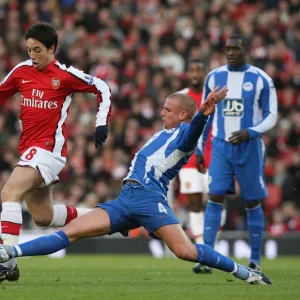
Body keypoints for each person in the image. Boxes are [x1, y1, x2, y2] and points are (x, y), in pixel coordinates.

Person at [0, 88, 272, 285]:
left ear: (183, 114)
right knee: (69, 233)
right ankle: (10, 252)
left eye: (168, 109)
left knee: (186, 252)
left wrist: (202, 113)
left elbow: (193, 134)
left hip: (149, 199)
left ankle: (245, 273)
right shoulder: (162, 133)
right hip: (126, 198)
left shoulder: (183, 135)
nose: (162, 111)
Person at [0, 22, 112, 283]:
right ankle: (109, 217)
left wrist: (101, 121)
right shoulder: (21, 71)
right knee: (43, 217)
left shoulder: (63, 75)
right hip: (29, 150)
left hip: (48, 150)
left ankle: (7, 263)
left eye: (37, 50)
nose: (32, 56)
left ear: (52, 49)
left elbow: (102, 88)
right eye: (28, 50)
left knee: (8, 193)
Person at [200, 34, 278, 271]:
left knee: (252, 201)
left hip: (249, 147)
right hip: (221, 146)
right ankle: (207, 258)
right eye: (228, 49)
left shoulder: (261, 79)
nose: (231, 52)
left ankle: (255, 260)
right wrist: (200, 148)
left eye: (236, 48)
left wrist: (251, 131)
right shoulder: (214, 77)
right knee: (214, 196)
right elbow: (205, 113)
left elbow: (271, 115)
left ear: (246, 50)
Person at [176, 60, 226, 274]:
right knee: (194, 203)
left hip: (215, 157)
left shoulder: (215, 96)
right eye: (192, 69)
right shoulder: (181, 98)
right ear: (187, 73)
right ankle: (203, 253)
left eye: (199, 70)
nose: (195, 73)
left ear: (205, 74)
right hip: (188, 160)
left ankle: (209, 246)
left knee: (216, 201)